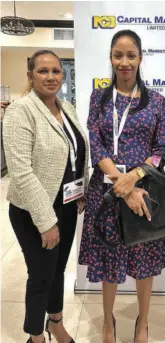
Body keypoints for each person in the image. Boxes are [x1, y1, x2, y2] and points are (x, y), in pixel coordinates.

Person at [79, 29, 165, 343]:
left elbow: (162, 150)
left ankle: (142, 322)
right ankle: (108, 323)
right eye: (118, 55)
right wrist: (122, 185)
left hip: (144, 190)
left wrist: (134, 179)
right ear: (110, 58)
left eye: (130, 55)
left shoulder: (158, 102)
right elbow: (97, 146)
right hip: (106, 192)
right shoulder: (99, 98)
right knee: (110, 261)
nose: (124, 61)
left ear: (140, 58)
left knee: (144, 262)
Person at [3, 50, 89, 343]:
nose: (51, 77)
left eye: (56, 71)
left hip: (65, 204)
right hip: (33, 210)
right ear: (30, 76)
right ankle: (35, 335)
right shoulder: (20, 110)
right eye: (43, 71)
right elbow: (21, 172)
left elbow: (76, 155)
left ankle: (56, 322)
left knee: (58, 270)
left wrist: (81, 189)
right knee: (40, 275)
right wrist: (45, 221)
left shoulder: (67, 108)